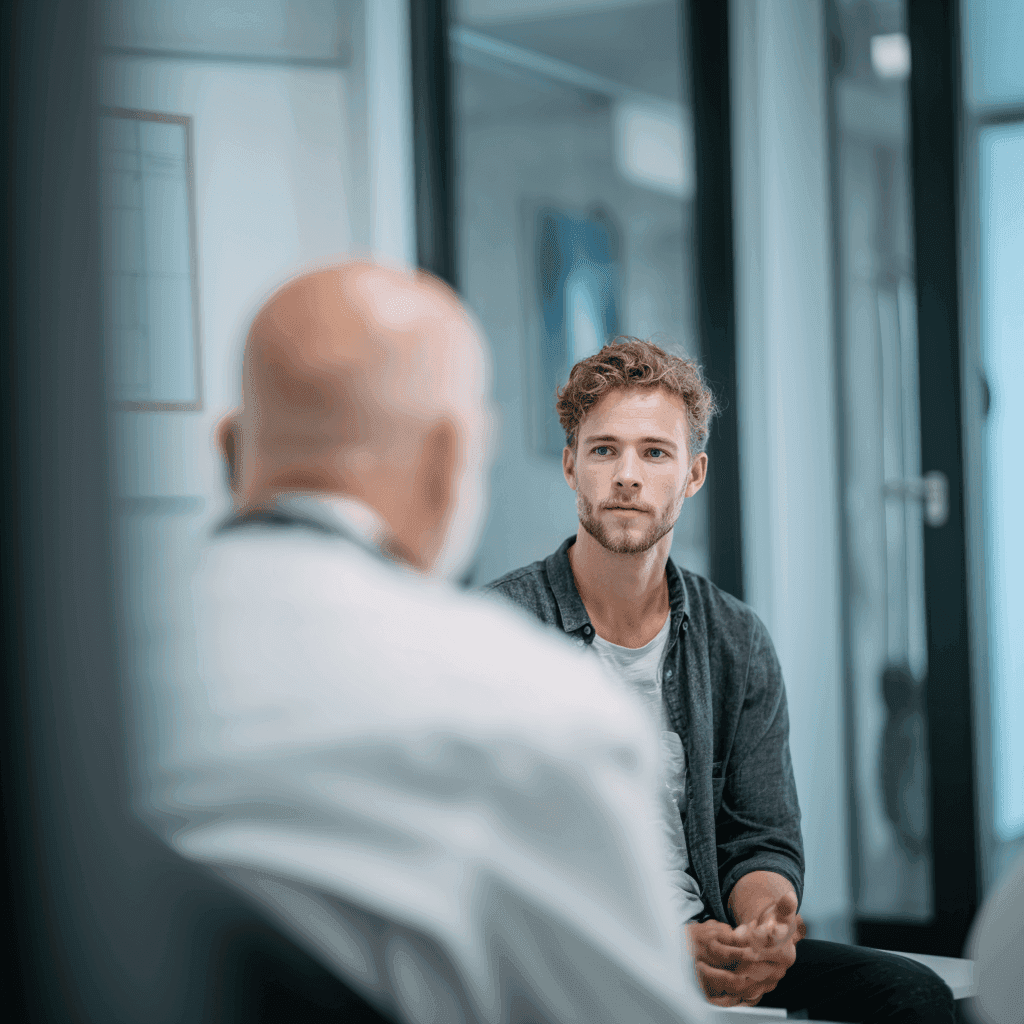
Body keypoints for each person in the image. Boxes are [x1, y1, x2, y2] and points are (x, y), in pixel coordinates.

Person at [132, 264, 712, 1024]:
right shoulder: (535, 710)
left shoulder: (82, 669)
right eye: (603, 451)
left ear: (230, 448)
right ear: (449, 458)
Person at [483, 337, 957, 1023]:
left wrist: (764, 927)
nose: (626, 475)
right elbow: (500, 861)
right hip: (568, 960)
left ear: (694, 474)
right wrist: (661, 945)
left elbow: (759, 839)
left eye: (654, 452)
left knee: (913, 997)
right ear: (570, 466)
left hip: (710, 941)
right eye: (603, 449)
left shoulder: (736, 639)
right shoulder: (500, 631)